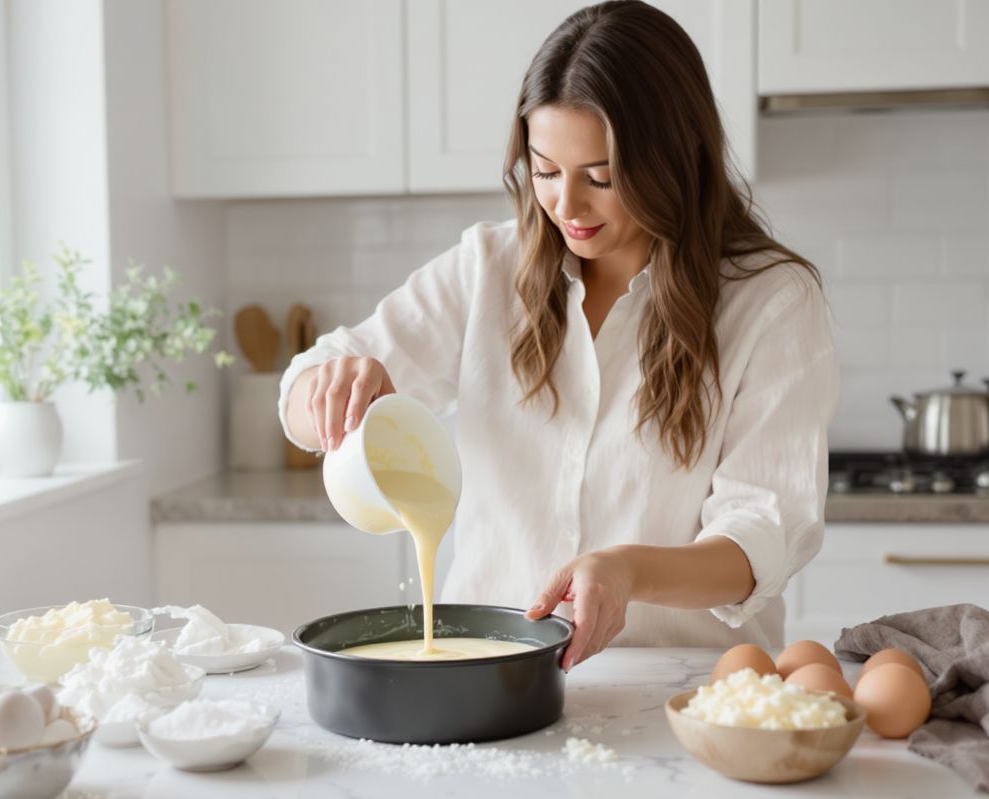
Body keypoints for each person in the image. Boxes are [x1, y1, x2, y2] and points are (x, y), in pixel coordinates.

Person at [277, 0, 838, 670]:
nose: (565, 207)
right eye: (545, 171)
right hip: (485, 675)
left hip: (678, 691)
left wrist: (630, 571)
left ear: (677, 158)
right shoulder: (489, 269)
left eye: (600, 178)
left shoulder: (770, 301)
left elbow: (763, 536)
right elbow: (303, 398)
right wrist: (332, 385)